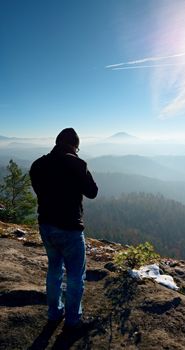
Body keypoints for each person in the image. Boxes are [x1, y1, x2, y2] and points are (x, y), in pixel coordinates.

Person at [30, 128, 98, 330]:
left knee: (54, 269)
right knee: (76, 275)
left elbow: (39, 191)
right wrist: (81, 166)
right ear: (74, 145)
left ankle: (54, 313)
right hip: (70, 228)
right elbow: (92, 192)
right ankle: (72, 320)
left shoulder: (38, 164)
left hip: (46, 225)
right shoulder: (76, 163)